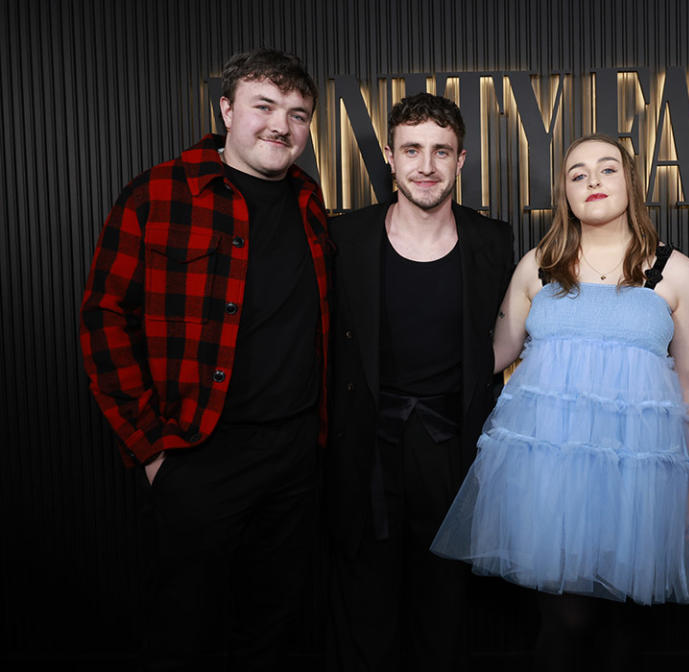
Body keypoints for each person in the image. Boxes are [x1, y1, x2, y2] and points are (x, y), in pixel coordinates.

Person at [431, 134, 689, 669]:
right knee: (565, 621)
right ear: (564, 193)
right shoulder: (537, 266)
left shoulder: (676, 272)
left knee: (625, 620)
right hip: (549, 470)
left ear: (630, 182)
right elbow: (494, 354)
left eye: (607, 169)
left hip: (638, 475)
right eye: (577, 173)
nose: (593, 180)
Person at [79, 49, 330, 670]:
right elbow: (102, 318)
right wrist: (152, 449)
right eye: (264, 107)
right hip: (198, 454)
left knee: (272, 627)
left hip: (296, 457)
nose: (281, 125)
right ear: (226, 110)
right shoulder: (158, 194)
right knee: (183, 629)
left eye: (297, 114)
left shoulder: (309, 201)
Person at [325, 92, 514, 671]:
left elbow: (511, 342)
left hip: (451, 444)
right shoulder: (345, 237)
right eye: (412, 149)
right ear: (388, 155)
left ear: (462, 160)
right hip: (365, 445)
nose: (426, 165)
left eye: (441, 151)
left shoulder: (493, 242)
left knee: (445, 603)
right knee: (366, 604)